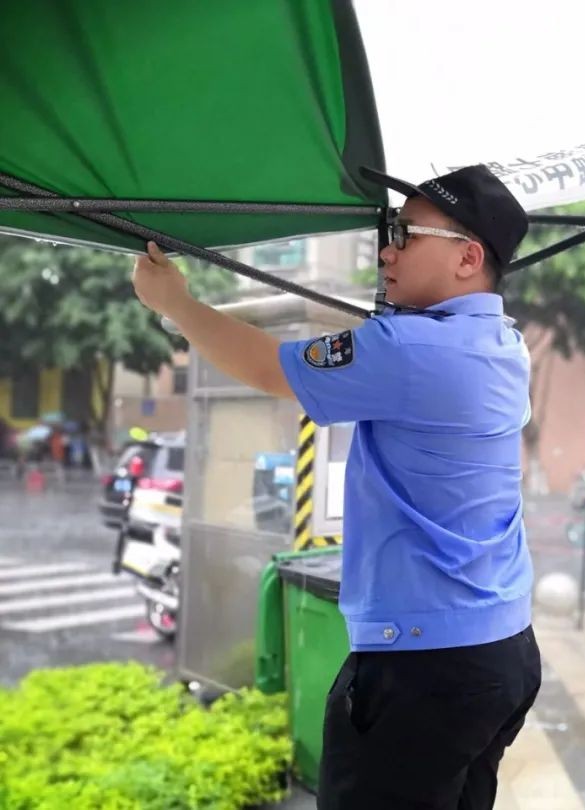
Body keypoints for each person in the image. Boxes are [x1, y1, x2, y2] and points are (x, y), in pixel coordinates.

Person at [132, 165, 541, 810]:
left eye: (406, 234)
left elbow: (272, 370)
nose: (387, 249)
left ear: (468, 258)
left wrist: (175, 304)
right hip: (504, 650)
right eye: (390, 231)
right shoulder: (505, 344)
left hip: (423, 664)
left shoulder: (409, 347)